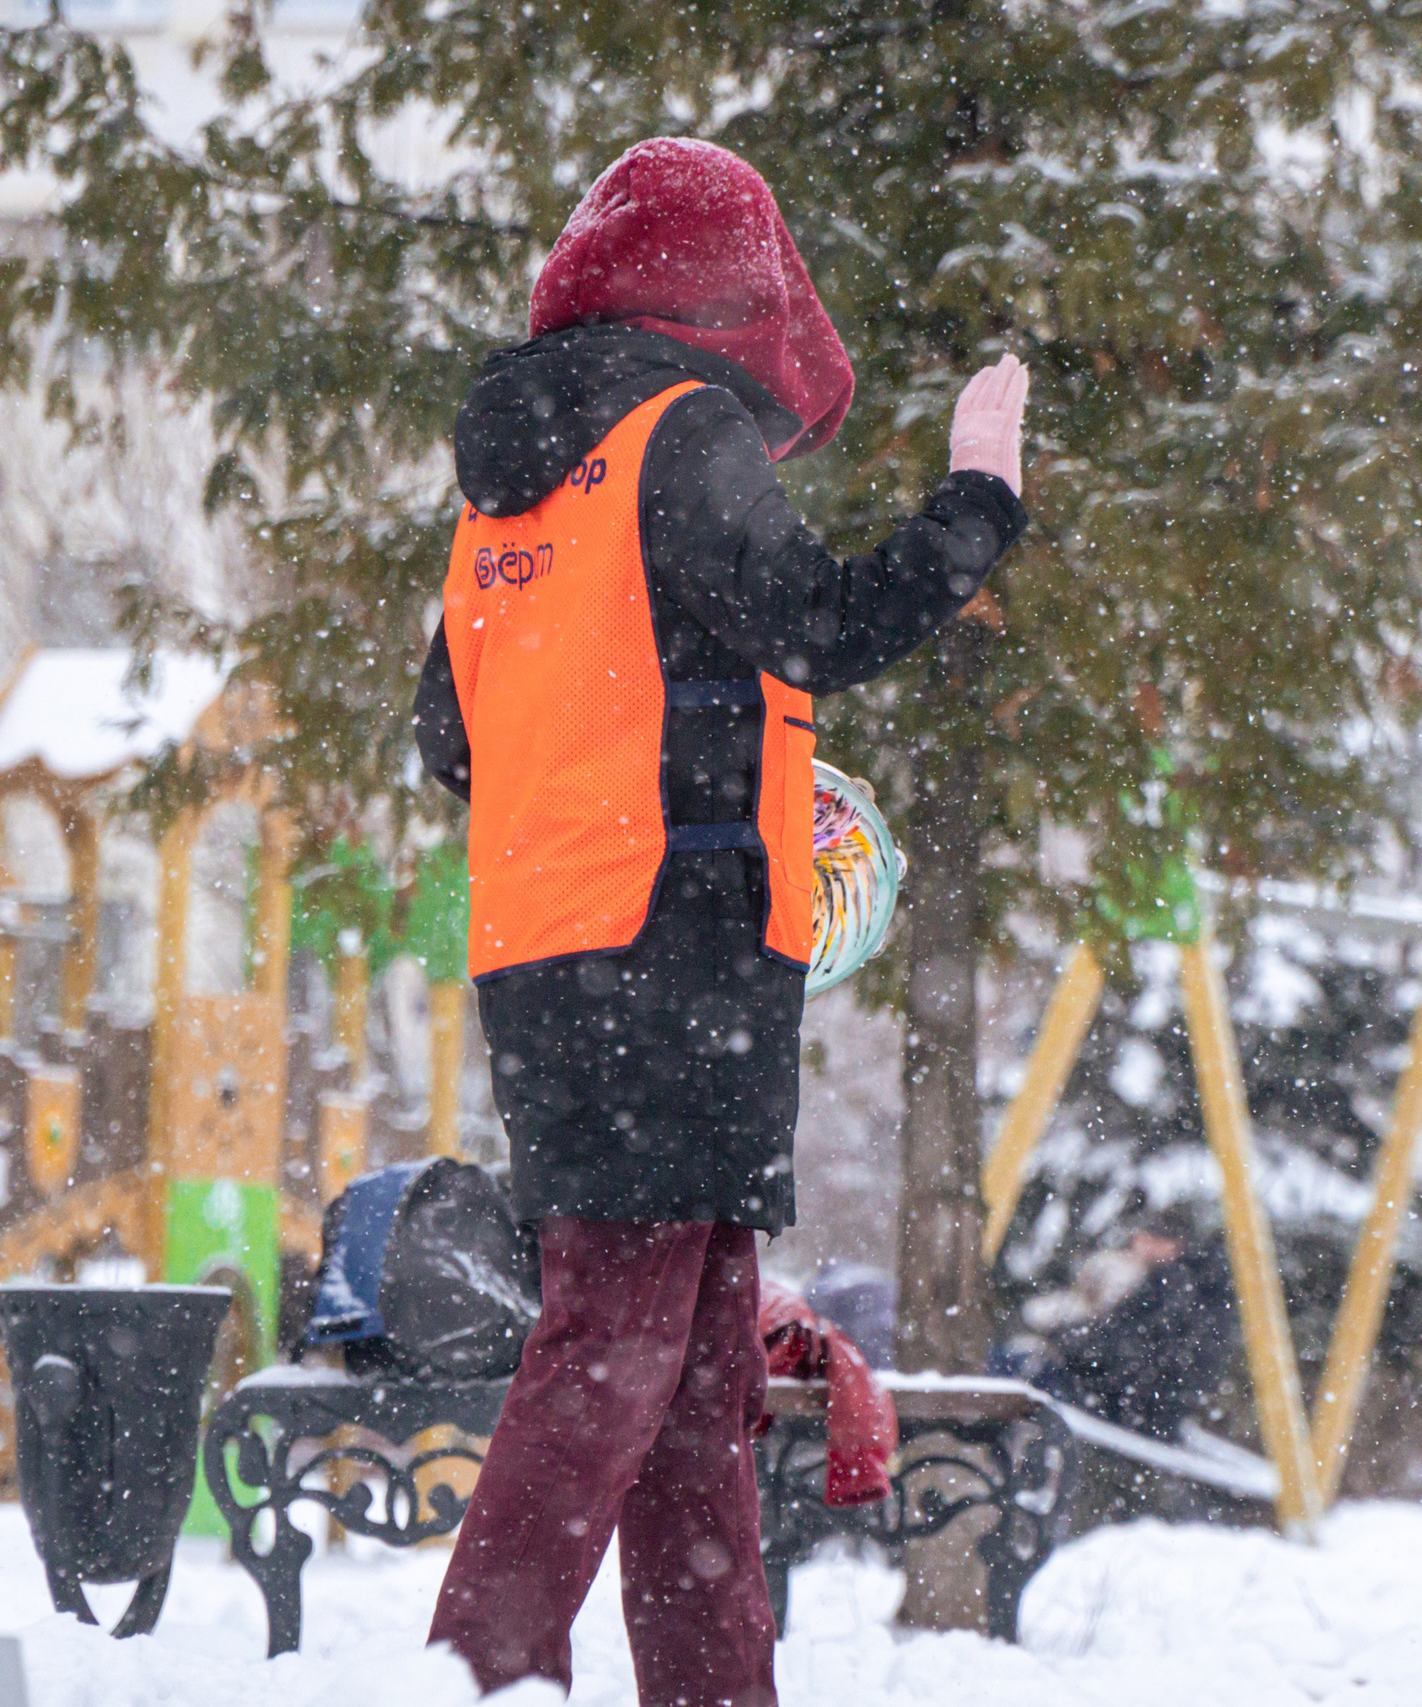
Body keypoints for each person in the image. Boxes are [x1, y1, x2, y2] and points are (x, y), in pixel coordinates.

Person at [411, 136, 1029, 1707]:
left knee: (692, 1384)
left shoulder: (504, 493)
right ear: (726, 298)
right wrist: (977, 502)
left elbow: (456, 739)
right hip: (674, 953)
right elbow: (821, 621)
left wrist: (698, 756)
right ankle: (475, 1676)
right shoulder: (678, 431)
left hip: (546, 953)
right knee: (614, 1348)